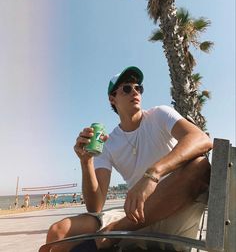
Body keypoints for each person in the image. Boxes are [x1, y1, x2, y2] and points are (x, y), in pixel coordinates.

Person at [46, 66, 212, 252]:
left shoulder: (159, 115)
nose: (135, 91)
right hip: (136, 217)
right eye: (126, 88)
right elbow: (95, 206)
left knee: (200, 165)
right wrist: (86, 162)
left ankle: (112, 233)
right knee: (58, 232)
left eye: (138, 88)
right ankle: (111, 234)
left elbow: (201, 139)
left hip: (175, 208)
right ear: (112, 98)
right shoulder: (108, 143)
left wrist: (152, 174)